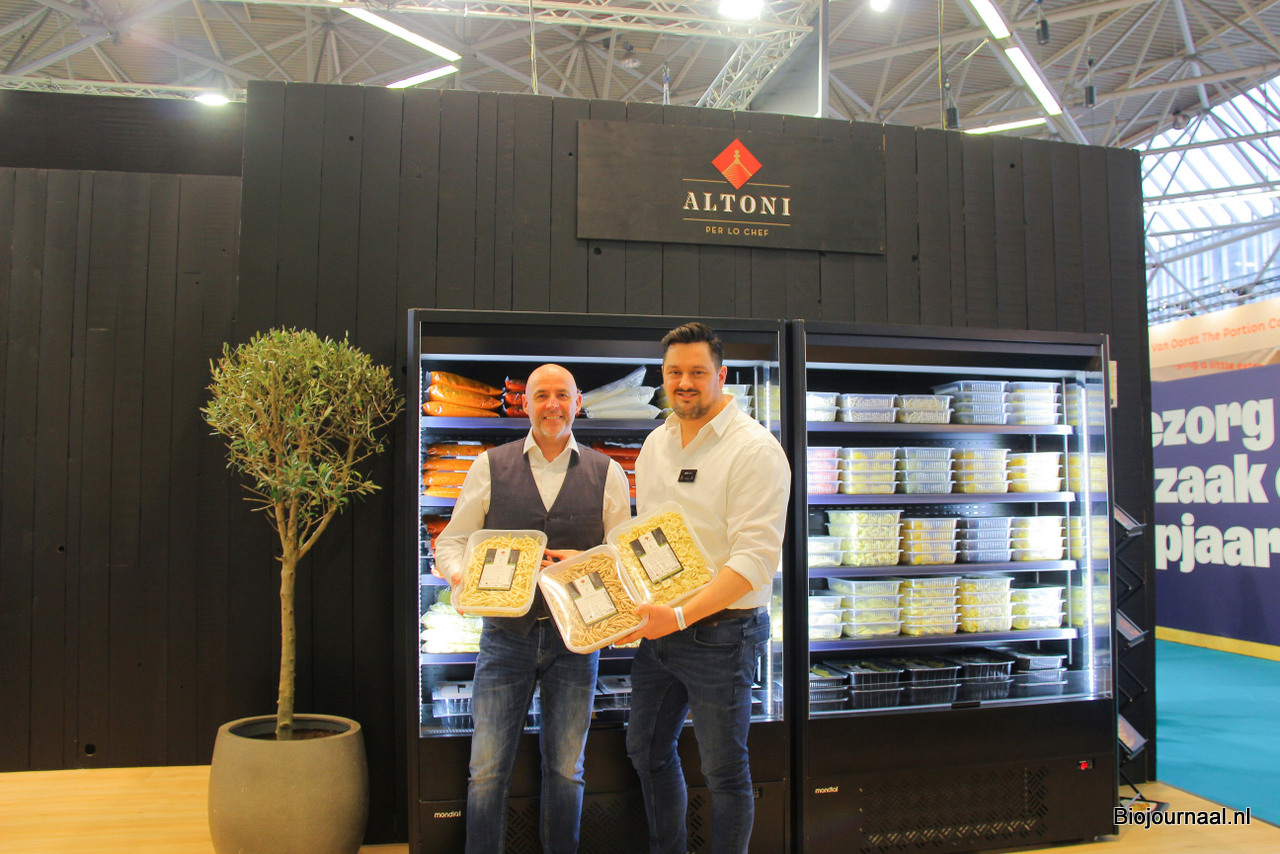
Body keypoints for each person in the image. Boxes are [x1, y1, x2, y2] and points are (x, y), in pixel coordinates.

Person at [435, 363, 632, 854]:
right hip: (506, 638)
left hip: (577, 641)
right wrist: (463, 576)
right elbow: (452, 542)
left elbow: (623, 561)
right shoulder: (489, 466)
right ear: (525, 403)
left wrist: (586, 561)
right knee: (486, 770)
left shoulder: (607, 473)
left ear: (578, 402)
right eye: (541, 395)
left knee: (567, 770)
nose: (552, 405)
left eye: (562, 395)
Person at [621, 322, 791, 854]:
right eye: (674, 372)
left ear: (722, 375)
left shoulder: (754, 450)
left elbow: (754, 562)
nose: (684, 382)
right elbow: (647, 537)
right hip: (660, 630)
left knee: (724, 770)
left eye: (697, 372)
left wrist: (677, 616)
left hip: (723, 633)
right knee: (646, 751)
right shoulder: (656, 443)